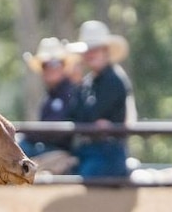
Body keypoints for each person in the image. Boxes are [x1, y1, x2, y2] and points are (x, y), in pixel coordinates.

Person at [66, 20, 135, 178]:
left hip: (108, 152)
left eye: (95, 49)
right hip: (89, 149)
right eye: (87, 49)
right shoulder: (89, 81)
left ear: (106, 51)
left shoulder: (114, 79)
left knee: (86, 178)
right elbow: (73, 115)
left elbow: (90, 115)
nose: (90, 54)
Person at [18, 37, 78, 158]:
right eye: (45, 64)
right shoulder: (50, 96)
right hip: (45, 148)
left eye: (54, 63)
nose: (49, 68)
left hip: (60, 151)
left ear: (63, 65)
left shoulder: (71, 93)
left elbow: (56, 131)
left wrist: (27, 134)